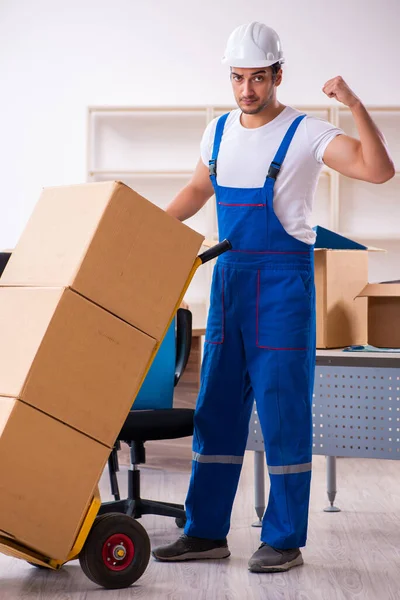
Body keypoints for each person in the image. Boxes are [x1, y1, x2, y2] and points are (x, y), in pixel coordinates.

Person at [152, 21, 394, 573]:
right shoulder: (216, 132)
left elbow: (379, 171)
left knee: (283, 415)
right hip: (229, 283)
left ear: (278, 75)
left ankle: (283, 539)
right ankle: (205, 531)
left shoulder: (308, 133)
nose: (246, 90)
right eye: (238, 78)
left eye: (257, 78)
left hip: (284, 289)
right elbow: (195, 191)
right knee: (215, 410)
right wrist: (143, 235)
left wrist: (353, 102)